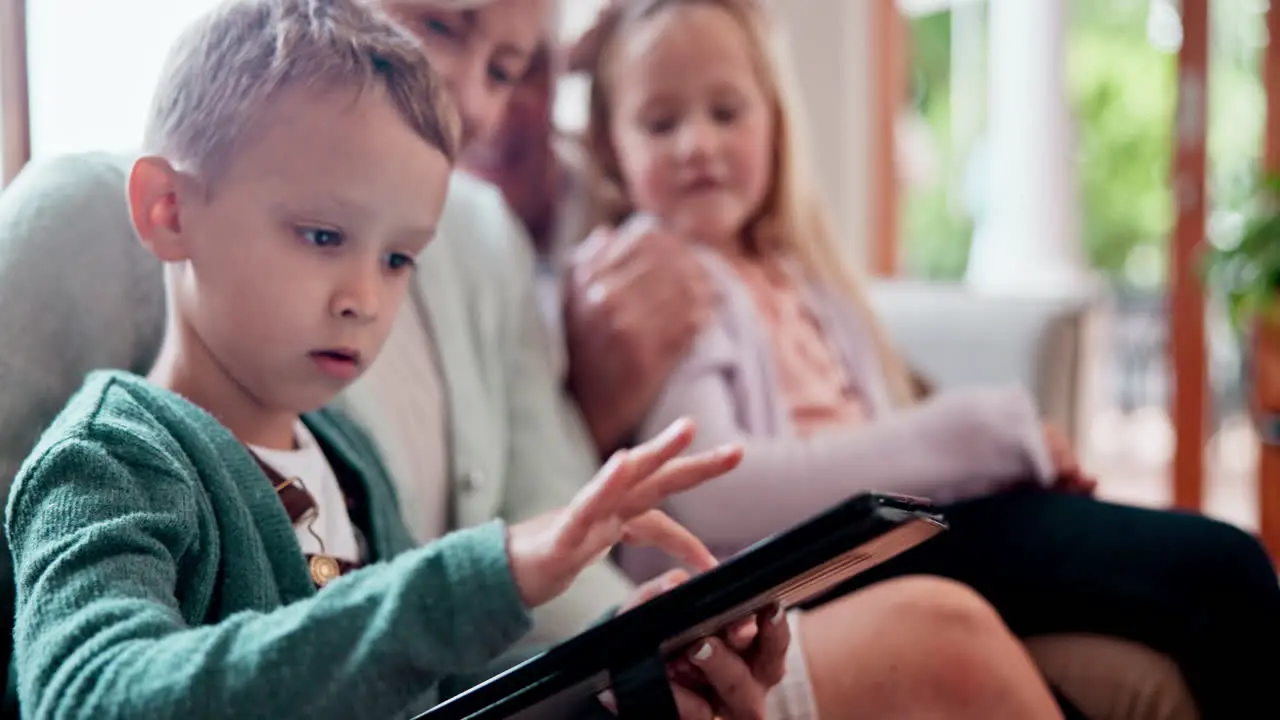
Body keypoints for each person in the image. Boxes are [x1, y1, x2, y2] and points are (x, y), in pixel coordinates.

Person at [3, 1, 789, 718]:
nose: (364, 299)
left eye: (398, 259)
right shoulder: (107, 461)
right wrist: (491, 573)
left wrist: (624, 672)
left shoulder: (348, 461)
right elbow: (86, 697)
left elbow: (432, 689)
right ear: (168, 211)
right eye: (322, 236)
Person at [561, 0, 1280, 717]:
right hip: (802, 567)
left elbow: (880, 432)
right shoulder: (656, 274)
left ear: (776, 120)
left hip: (872, 541)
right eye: (661, 123)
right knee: (1222, 570)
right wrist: (986, 442)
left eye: (726, 112)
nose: (697, 145)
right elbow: (709, 487)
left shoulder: (795, 273)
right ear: (610, 148)